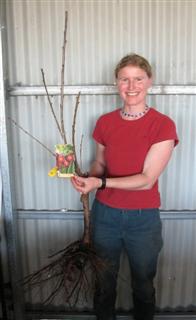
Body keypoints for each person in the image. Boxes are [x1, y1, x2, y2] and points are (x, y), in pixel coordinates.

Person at [71, 53, 179, 320]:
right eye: (124, 80)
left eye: (138, 79)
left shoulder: (162, 125)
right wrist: (86, 177)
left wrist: (100, 182)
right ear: (116, 83)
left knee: (143, 285)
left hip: (143, 220)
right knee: (103, 284)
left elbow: (146, 180)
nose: (131, 86)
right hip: (105, 215)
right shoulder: (105, 122)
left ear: (149, 81)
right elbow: (100, 163)